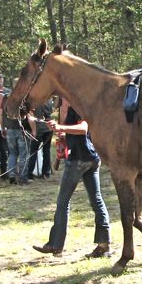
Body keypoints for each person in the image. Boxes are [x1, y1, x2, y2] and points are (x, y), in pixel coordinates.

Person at [32, 99, 112, 258]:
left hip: (79, 159)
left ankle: (56, 245)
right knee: (96, 200)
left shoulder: (78, 103)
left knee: (63, 201)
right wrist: (63, 134)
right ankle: (104, 244)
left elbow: (83, 128)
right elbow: (74, 132)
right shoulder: (67, 105)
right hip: (89, 157)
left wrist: (62, 127)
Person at [3, 78, 30, 184]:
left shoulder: (6, 97)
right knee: (24, 154)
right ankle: (23, 177)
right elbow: (28, 112)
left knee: (12, 153)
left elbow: (2, 113)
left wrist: (3, 127)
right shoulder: (24, 97)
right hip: (21, 128)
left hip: (9, 128)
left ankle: (12, 174)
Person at [25, 98, 54, 180]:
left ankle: (30, 173)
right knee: (46, 151)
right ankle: (46, 173)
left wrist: (33, 130)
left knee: (33, 151)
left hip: (39, 128)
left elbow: (30, 117)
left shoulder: (34, 102)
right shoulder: (49, 100)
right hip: (48, 127)